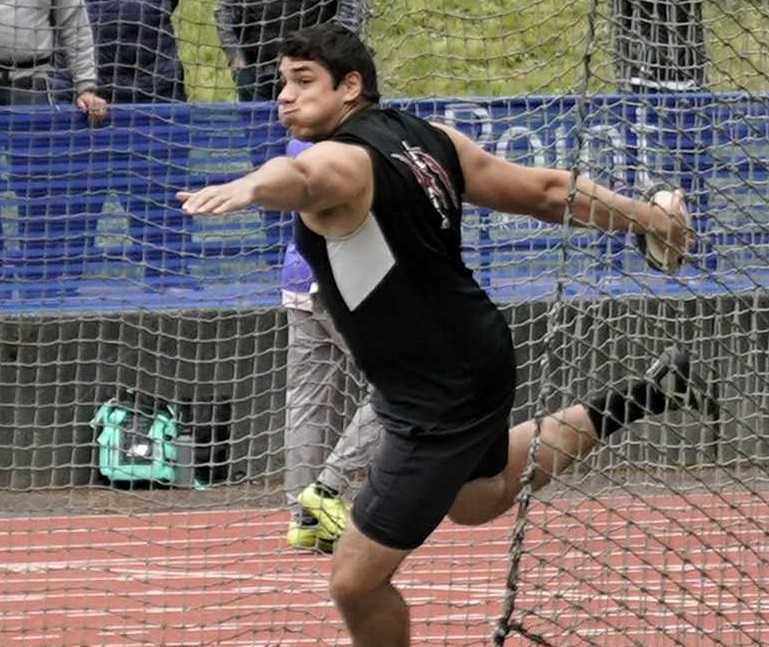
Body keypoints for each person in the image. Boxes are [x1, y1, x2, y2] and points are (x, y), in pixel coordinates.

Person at [178, 23, 718, 645]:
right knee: (478, 499)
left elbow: (300, 180)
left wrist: (250, 186)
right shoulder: (429, 138)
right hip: (473, 355)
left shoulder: (342, 162)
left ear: (351, 87)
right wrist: (651, 219)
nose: (285, 98)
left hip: (437, 394)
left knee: (354, 581)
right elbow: (545, 192)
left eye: (304, 82)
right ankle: (649, 392)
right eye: (282, 84)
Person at [282, 137, 383, 552]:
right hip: (339, 281)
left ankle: (304, 519)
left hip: (298, 279)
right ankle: (325, 489)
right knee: (403, 386)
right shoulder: (340, 144)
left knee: (306, 401)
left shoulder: (301, 141)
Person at [50, 0, 191, 287]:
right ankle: (61, 282)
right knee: (74, 196)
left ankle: (167, 275)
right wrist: (81, 86)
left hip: (154, 91)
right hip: (80, 94)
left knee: (160, 191)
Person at [0, 0, 107, 293]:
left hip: (31, 83)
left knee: (37, 185)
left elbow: (75, 23)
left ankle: (39, 277)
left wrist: (86, 86)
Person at [214, 0, 366, 102]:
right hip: (258, 67)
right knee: (262, 137)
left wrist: (327, 57)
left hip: (315, 65)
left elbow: (349, 16)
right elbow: (225, 13)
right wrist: (236, 57)